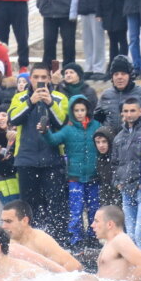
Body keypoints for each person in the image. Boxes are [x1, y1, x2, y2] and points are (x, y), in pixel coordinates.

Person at [8, 63, 70, 243]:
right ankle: (29, 243)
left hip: (52, 160)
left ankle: (59, 243)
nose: (40, 81)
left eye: (44, 77)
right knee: (28, 207)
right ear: (30, 79)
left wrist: (50, 102)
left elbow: (62, 122)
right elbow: (13, 119)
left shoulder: (59, 97)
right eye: (36, 77)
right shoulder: (19, 97)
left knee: (56, 205)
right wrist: (31, 101)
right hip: (26, 159)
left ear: (50, 79)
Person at [43, 94, 101, 249]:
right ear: (72, 111)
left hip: (94, 176)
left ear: (87, 110)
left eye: (82, 110)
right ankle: (76, 239)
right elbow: (54, 140)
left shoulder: (96, 126)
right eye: (76, 110)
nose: (80, 113)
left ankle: (94, 237)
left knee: (94, 209)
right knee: (76, 210)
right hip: (75, 177)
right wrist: (45, 132)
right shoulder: (68, 129)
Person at [113, 98, 141, 252]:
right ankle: (135, 264)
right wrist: (117, 181)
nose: (129, 114)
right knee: (130, 234)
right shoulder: (119, 136)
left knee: (140, 233)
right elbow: (115, 163)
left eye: (132, 110)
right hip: (126, 188)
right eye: (126, 111)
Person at [1, 200, 83, 271]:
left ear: (24, 221)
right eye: (3, 221)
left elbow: (74, 266)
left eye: (8, 221)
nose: (3, 226)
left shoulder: (40, 240)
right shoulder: (6, 243)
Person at [92, 205, 141, 281]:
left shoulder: (121, 240)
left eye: (96, 221)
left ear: (109, 224)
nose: (92, 225)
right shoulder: (110, 242)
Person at [97, 55, 141, 134]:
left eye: (123, 74)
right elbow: (96, 120)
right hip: (111, 139)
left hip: (138, 139)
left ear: (130, 75)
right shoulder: (106, 95)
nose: (119, 77)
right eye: (116, 74)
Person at [37, 0, 77, 70]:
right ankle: (50, 70)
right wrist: (41, 1)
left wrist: (73, 7)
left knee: (69, 44)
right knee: (49, 43)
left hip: (67, 12)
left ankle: (69, 70)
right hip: (48, 10)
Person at [71, 0, 104, 79]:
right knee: (87, 41)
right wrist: (73, 12)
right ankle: (88, 67)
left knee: (98, 40)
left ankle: (98, 68)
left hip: (96, 11)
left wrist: (101, 10)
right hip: (84, 9)